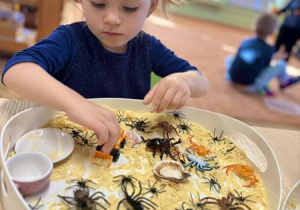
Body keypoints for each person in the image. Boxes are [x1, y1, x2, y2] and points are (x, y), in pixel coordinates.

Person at [1, 0, 208, 155]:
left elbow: (201, 82)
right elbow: (15, 71)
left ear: (150, 7)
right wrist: (76, 104)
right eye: (99, 3)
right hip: (69, 145)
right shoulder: (69, 39)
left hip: (129, 146)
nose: (112, 19)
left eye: (129, 8)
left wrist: (183, 81)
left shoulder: (148, 46)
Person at [225, 12, 300, 96]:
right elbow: (262, 69)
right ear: (272, 32)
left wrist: (272, 57)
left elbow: (255, 57)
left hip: (230, 78)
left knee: (230, 58)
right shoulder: (269, 49)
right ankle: (285, 82)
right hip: (249, 87)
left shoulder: (246, 41)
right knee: (281, 64)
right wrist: (274, 57)